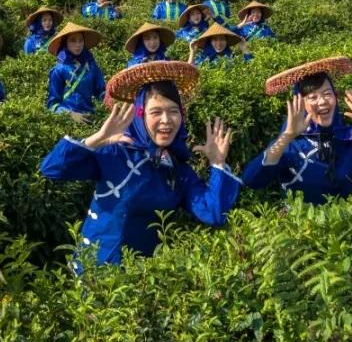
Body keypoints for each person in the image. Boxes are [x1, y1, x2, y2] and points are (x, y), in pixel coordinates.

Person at [39, 61, 243, 267]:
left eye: (173, 111)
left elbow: (214, 213)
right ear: (140, 115)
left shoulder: (178, 170)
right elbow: (53, 169)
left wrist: (218, 164)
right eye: (155, 112)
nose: (166, 120)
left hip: (141, 280)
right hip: (93, 273)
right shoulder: (116, 152)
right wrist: (97, 139)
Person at [242, 57, 352, 204]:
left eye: (327, 94)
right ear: (301, 104)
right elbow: (253, 180)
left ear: (336, 98)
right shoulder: (290, 144)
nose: (322, 102)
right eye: (312, 97)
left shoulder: (350, 139)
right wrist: (286, 136)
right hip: (297, 230)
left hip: (341, 229)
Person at [46, 22, 107, 122]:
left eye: (80, 40)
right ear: (66, 43)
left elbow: (101, 91)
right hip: (67, 122)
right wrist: (70, 115)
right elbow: (52, 105)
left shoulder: (91, 65)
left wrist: (111, 102)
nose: (78, 45)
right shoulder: (59, 70)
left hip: (90, 117)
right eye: (73, 41)